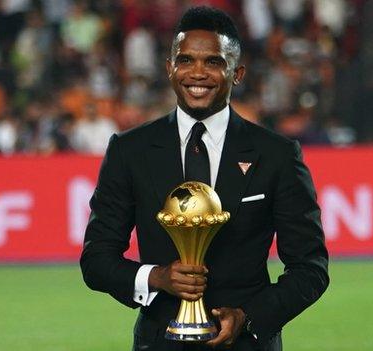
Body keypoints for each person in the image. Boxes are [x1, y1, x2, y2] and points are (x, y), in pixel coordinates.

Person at [80, 7, 329, 351]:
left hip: (245, 343)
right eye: (185, 61)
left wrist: (248, 317)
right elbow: (96, 259)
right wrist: (156, 278)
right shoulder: (129, 150)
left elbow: (310, 267)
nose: (197, 73)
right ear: (170, 69)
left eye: (213, 62)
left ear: (237, 73)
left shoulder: (277, 155)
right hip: (160, 342)